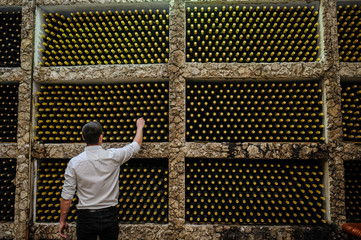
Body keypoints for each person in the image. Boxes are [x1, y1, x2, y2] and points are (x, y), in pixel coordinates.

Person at [59, 117, 145, 239]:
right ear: (101, 137)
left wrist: (62, 220)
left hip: (86, 218)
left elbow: (67, 197)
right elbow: (135, 145)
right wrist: (140, 127)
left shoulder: (75, 163)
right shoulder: (114, 156)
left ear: (83, 138)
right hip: (109, 215)